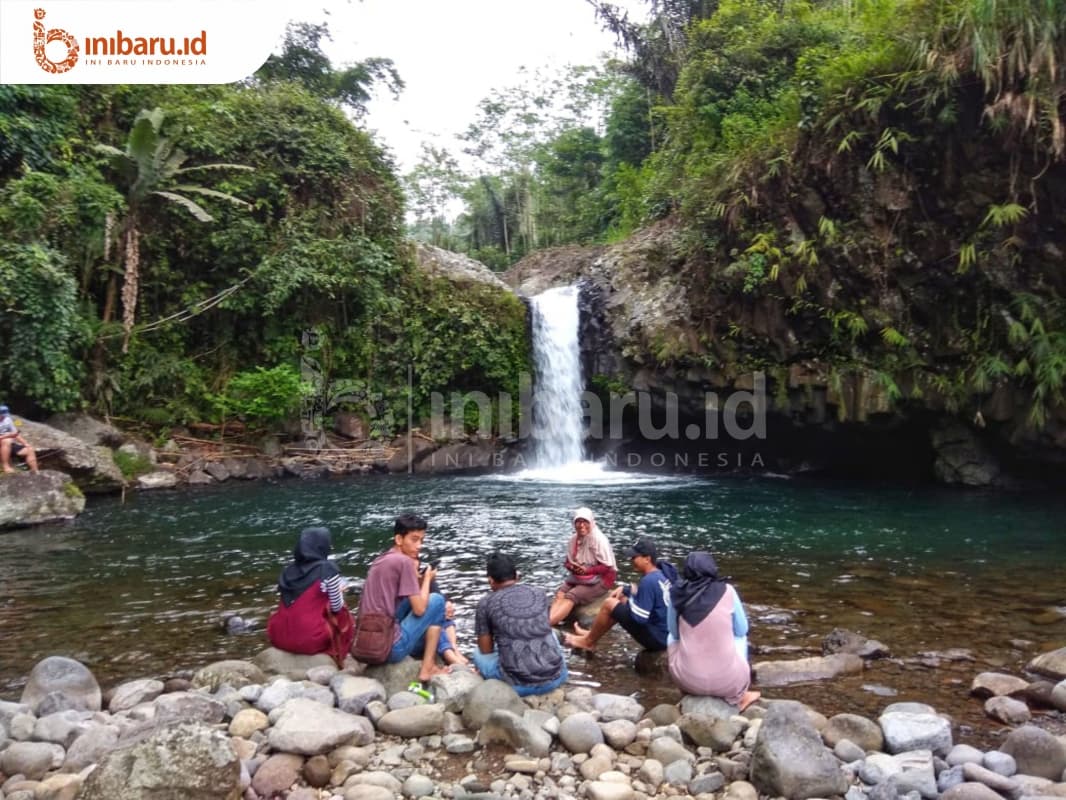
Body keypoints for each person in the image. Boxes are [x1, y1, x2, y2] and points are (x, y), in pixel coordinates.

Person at [360, 513, 449, 681]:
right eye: (414, 540)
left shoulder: (381, 559)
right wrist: (428, 579)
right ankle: (427, 668)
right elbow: (420, 609)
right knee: (436, 600)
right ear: (399, 539)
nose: (419, 546)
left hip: (364, 645)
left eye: (421, 540)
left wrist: (420, 580)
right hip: (390, 649)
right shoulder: (405, 562)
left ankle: (430, 652)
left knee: (416, 600)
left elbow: (403, 600)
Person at [668, 551, 760, 710]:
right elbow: (742, 629)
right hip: (728, 682)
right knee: (740, 636)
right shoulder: (728, 590)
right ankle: (741, 694)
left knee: (671, 637)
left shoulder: (676, 594)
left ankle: (687, 691)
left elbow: (674, 633)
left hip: (688, 682)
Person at [472, 552, 568, 696]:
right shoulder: (539, 593)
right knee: (550, 635)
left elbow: (486, 650)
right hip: (558, 676)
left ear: (491, 581)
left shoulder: (485, 603)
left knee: (477, 653)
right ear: (517, 576)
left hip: (519, 686)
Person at [565, 538, 676, 653]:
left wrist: (629, 599)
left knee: (610, 604)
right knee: (620, 599)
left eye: (634, 557)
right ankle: (592, 635)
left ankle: (587, 642)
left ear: (647, 559)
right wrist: (627, 590)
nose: (631, 560)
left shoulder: (648, 581)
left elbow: (640, 618)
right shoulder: (661, 575)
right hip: (666, 634)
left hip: (658, 639)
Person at [266, 526, 354, 666]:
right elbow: (337, 607)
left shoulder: (288, 570)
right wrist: (339, 591)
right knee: (343, 613)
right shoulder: (327, 569)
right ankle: (342, 656)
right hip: (310, 639)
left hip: (279, 636)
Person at [548, 507, 617, 625]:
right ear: (574, 524)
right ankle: (549, 620)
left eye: (585, 522)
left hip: (602, 579)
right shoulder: (573, 540)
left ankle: (548, 625)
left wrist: (587, 570)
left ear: (591, 522)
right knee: (560, 593)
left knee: (571, 596)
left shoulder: (599, 540)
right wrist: (572, 567)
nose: (581, 525)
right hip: (581, 577)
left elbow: (607, 567)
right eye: (578, 522)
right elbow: (567, 562)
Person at [0, 405, 38, 474]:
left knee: (29, 450)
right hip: (4, 441)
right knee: (7, 440)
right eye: (2, 415)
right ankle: (6, 466)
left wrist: (26, 444)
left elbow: (15, 433)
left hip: (8, 444)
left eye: (4, 415)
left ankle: (35, 471)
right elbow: (9, 435)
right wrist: (6, 436)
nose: (3, 417)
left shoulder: (7, 419)